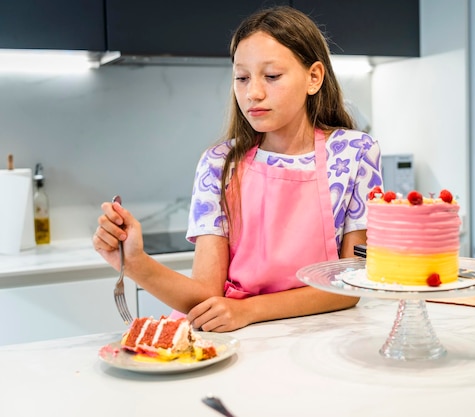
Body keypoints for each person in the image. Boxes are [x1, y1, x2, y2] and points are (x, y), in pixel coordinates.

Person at [92, 5, 382, 332]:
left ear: (313, 77)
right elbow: (205, 294)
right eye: (242, 78)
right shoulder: (218, 164)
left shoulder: (354, 152)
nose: (252, 93)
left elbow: (349, 286)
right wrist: (133, 262)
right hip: (237, 337)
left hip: (318, 334)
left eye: (272, 76)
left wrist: (249, 310)